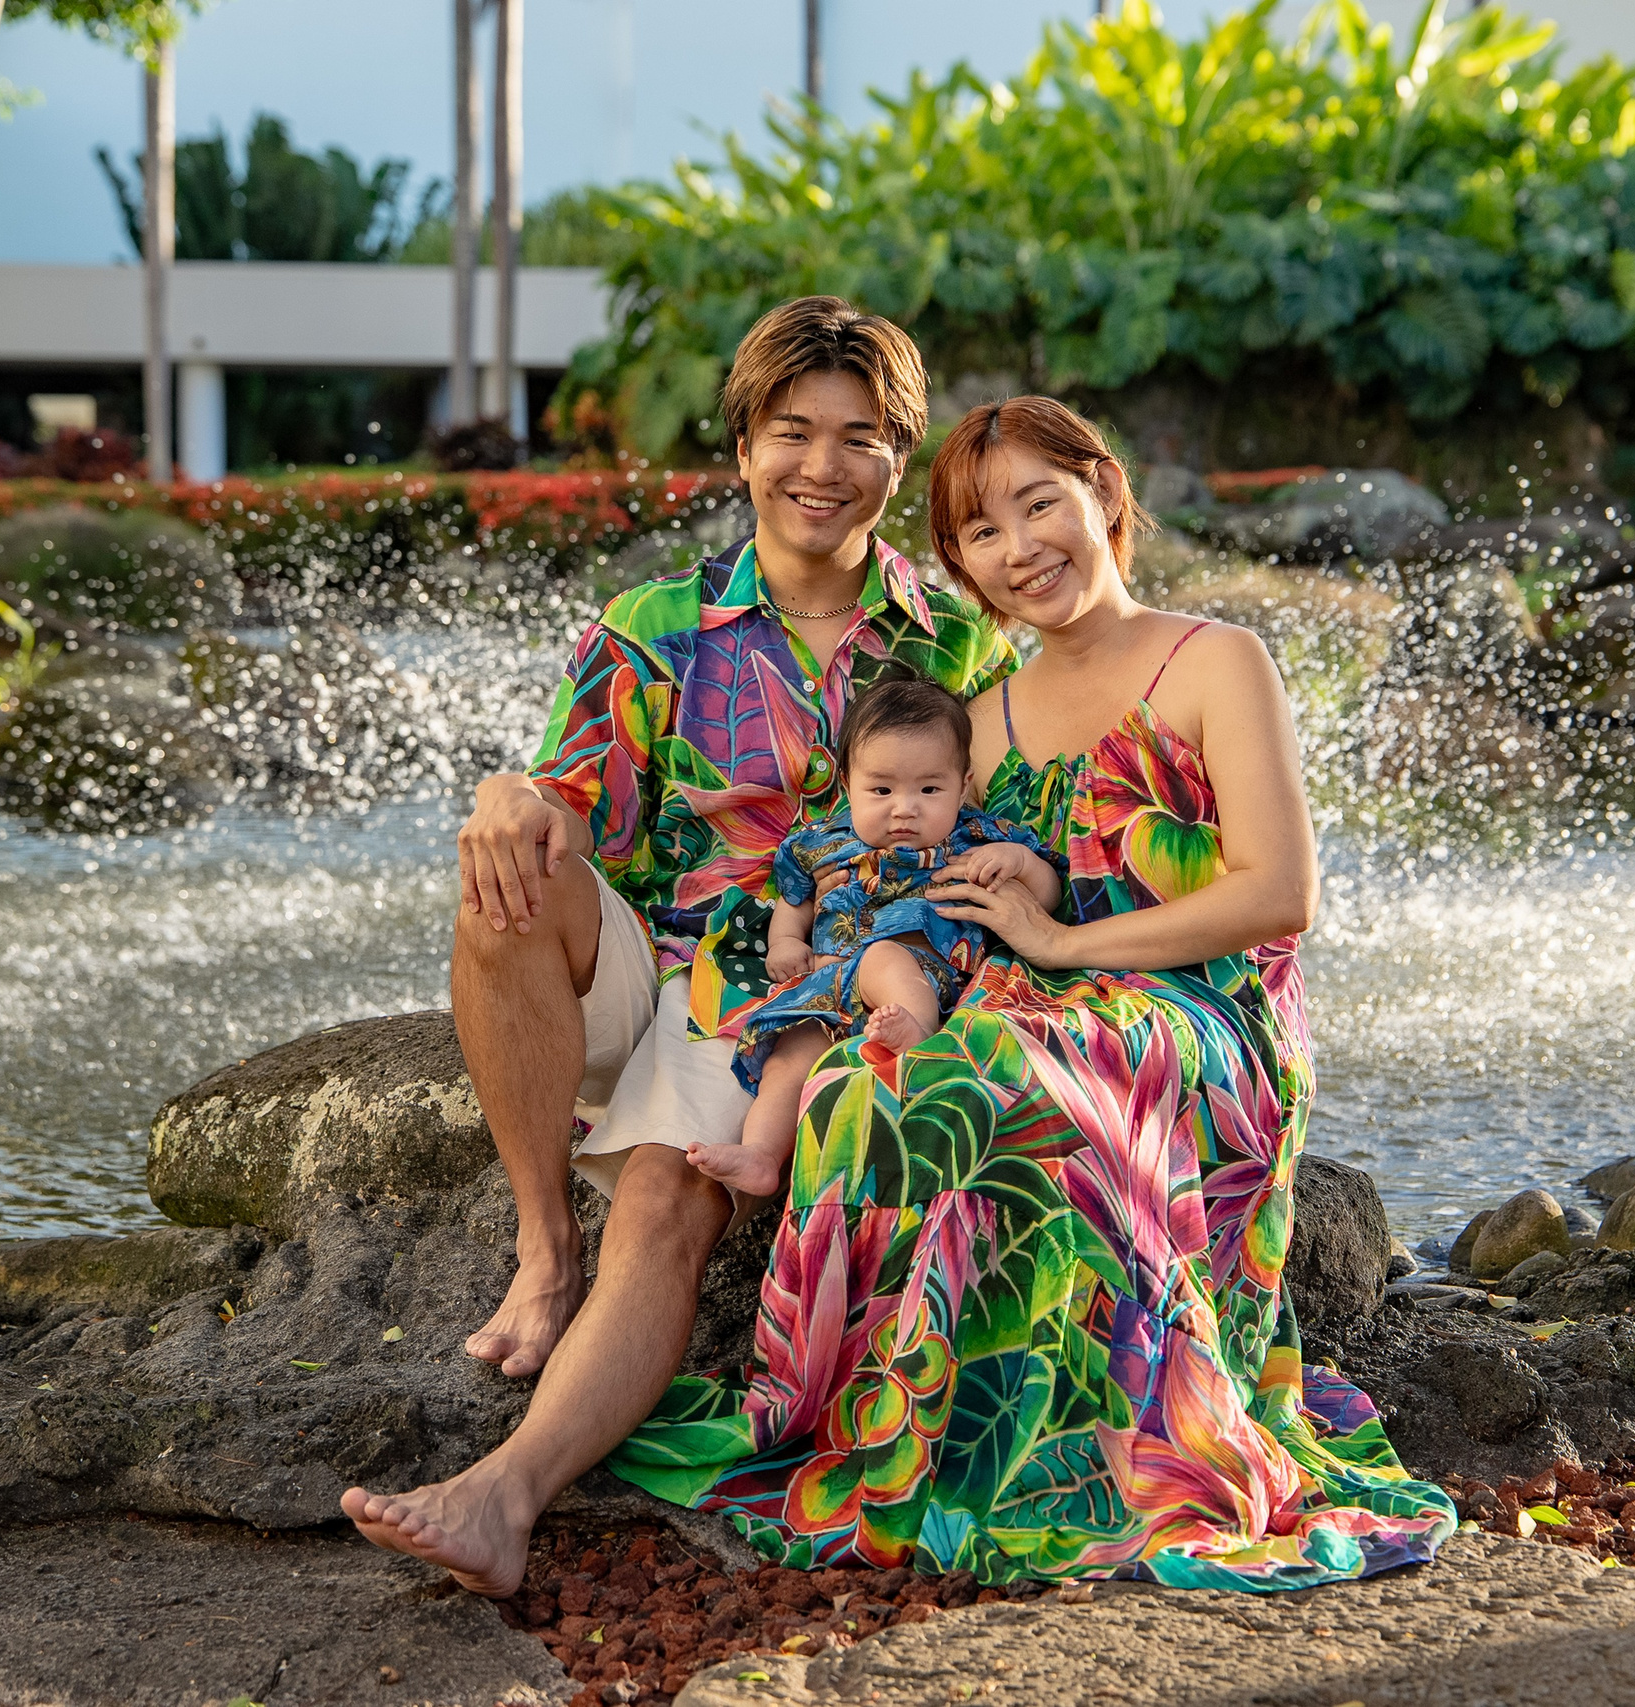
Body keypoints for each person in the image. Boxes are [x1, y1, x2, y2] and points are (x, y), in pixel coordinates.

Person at [603, 397, 1457, 1589]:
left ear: (1102, 495)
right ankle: (918, 1435)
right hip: (1027, 994)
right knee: (872, 1079)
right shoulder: (983, 723)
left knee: (1028, 1076)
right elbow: (924, 894)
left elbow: (1279, 896)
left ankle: (1110, 1460)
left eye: (1038, 503)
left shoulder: (1215, 658)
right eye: (979, 533)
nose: (1019, 548)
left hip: (1201, 1014)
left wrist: (1059, 943)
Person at [340, 298, 1017, 1592]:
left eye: (860, 437)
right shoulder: (651, 623)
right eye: (793, 431)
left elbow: (1008, 819)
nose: (823, 465)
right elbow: (565, 808)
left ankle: (502, 1495)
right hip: (656, 951)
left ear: (898, 456)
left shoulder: (960, 640)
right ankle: (544, 1245)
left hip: (800, 988)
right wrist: (508, 794)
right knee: (505, 886)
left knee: (667, 1192)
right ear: (746, 447)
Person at [686, 677, 1060, 1200]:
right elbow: (793, 902)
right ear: (847, 785)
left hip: (922, 971)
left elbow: (1047, 896)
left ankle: (919, 1035)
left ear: (962, 783)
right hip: (830, 983)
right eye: (881, 790)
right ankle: (761, 1155)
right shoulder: (821, 844)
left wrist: (1021, 864)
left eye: (929, 789)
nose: (904, 808)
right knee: (787, 1058)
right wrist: (787, 943)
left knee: (884, 956)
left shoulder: (976, 838)